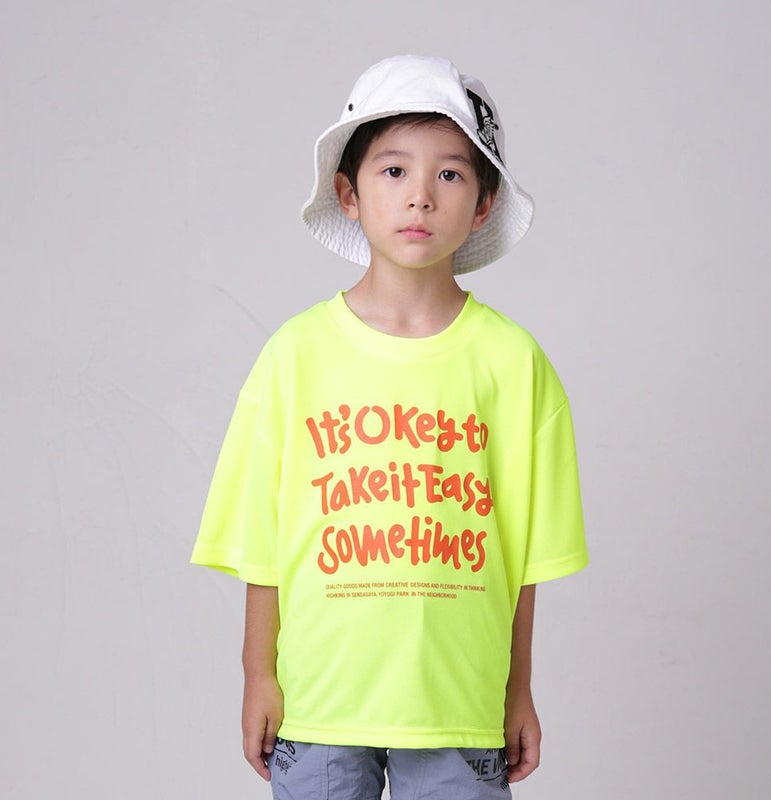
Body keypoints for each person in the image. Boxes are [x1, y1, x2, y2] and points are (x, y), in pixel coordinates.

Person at [190, 54, 588, 799]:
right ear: (349, 193)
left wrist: (518, 689)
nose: (420, 196)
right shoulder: (295, 355)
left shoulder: (512, 364)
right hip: (319, 700)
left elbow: (522, 553)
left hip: (458, 704)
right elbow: (260, 537)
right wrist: (256, 673)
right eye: (395, 170)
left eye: (450, 174)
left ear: (482, 204)